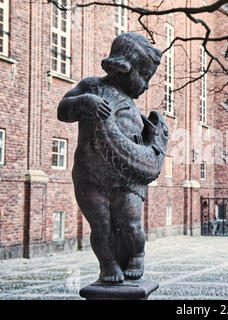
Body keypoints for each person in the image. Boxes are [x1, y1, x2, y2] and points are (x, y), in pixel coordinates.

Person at [58, 33, 168, 283]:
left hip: (127, 181)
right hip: (90, 176)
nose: (146, 85)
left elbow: (150, 145)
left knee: (131, 223)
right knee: (101, 225)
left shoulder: (134, 110)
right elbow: (62, 111)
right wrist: (85, 102)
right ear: (123, 67)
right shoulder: (91, 87)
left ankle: (137, 255)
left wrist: (155, 136)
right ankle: (108, 265)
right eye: (145, 77)